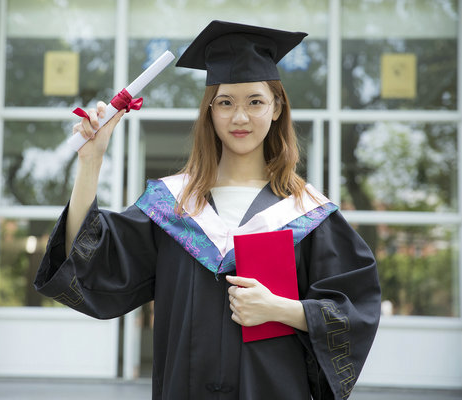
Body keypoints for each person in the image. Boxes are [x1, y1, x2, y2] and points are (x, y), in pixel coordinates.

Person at [34, 20, 381, 400]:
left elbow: (352, 313)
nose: (240, 117)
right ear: (210, 111)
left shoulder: (308, 214)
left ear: (277, 106)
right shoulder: (172, 207)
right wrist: (91, 162)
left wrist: (281, 309)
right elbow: (86, 260)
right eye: (226, 102)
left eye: (255, 101)